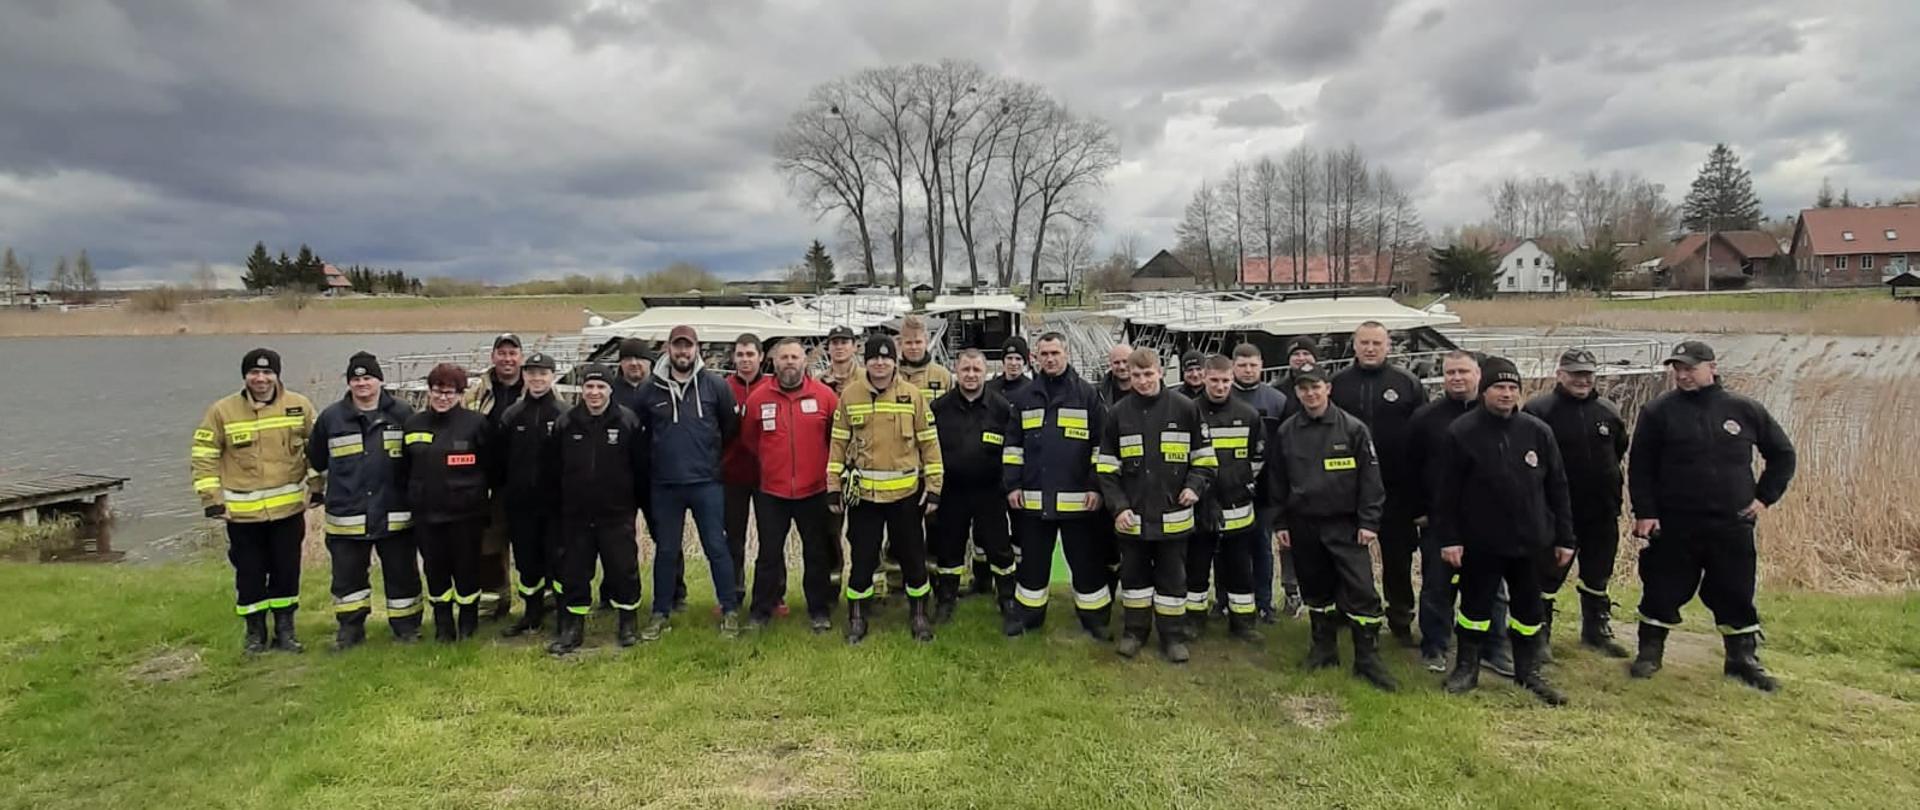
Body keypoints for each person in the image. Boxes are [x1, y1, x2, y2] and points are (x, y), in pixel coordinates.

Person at [1627, 340, 1795, 691]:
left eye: (1690, 368)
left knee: (1735, 591)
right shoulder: (1658, 412)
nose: (1683, 375)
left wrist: (1764, 498)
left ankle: (1742, 659)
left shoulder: (1744, 409)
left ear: (1712, 368)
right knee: (1662, 588)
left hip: (1730, 522)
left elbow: (1782, 454)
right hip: (1675, 522)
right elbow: (1640, 467)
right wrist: (1645, 513)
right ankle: (1649, 654)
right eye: (1678, 369)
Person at [1432, 356, 1575, 706]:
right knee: (1475, 610)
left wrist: (1565, 538)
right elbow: (1445, 493)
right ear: (1484, 391)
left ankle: (1529, 671)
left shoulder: (1537, 431)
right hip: (1481, 541)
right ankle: (1467, 668)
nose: (1506, 394)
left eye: (1513, 388)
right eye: (1499, 387)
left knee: (1529, 611)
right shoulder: (1461, 432)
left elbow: (1558, 487)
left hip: (1531, 541)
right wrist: (1450, 539)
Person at [1268, 362, 1396, 691]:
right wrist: (1281, 521)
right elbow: (1277, 482)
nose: (1310, 393)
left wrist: (1369, 522)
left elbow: (1371, 481)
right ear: (1296, 392)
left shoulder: (1353, 429)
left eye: (1316, 387)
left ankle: (1367, 659)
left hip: (1346, 525)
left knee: (1362, 592)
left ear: (1328, 388)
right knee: (1317, 591)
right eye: (1303, 388)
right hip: (1304, 524)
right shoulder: (1287, 431)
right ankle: (1323, 650)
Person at [192, 348, 322, 654]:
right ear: (245, 376)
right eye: (254, 373)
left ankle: (286, 631)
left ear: (277, 375)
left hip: (287, 510)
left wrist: (317, 487)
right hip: (242, 514)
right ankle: (255, 633)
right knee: (249, 573)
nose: (261, 379)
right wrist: (213, 501)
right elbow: (203, 457)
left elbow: (315, 450)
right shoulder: (222, 411)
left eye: (267, 373)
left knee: (286, 571)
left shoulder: (299, 406)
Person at [1097, 348, 1214, 662]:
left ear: (1161, 372)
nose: (1143, 381)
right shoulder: (1117, 414)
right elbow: (1106, 469)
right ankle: (1134, 633)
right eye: (1137, 375)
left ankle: (1173, 637)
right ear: (1129, 377)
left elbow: (1204, 460)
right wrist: (1119, 508)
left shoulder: (1186, 409)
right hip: (1132, 518)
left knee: (1173, 581)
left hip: (1173, 519)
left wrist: (1194, 487)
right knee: (1134, 581)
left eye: (1148, 374)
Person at [828, 335, 944, 643]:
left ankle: (919, 614)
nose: (880, 363)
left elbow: (929, 443)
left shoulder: (912, 396)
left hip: (905, 497)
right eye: (874, 358)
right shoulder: (850, 396)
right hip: (864, 498)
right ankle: (857, 616)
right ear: (866, 362)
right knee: (863, 558)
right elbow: (838, 444)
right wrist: (832, 487)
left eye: (886, 358)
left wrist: (933, 487)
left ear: (895, 361)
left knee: (912, 557)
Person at [634, 325, 743, 640]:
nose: (683, 352)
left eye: (688, 346)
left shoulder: (715, 386)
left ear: (697, 350)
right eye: (677, 346)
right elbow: (639, 432)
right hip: (665, 485)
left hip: (706, 482)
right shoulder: (650, 389)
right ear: (668, 349)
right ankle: (660, 613)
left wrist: (709, 458)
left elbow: (729, 427)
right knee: (666, 551)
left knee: (716, 547)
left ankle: (729, 610)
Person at [1523, 348, 1631, 660]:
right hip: (1555, 513)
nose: (1581, 380)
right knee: (1546, 576)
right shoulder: (1539, 410)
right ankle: (1538, 634)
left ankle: (1595, 630)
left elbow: (1619, 449)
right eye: (1574, 374)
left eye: (1587, 374)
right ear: (1560, 375)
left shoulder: (1608, 411)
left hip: (1601, 510)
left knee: (1598, 573)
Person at [1406, 351, 1510, 675]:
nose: (1456, 378)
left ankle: (1493, 647)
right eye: (1450, 372)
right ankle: (1434, 646)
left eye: (1463, 371)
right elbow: (1408, 469)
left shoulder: (1497, 416)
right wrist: (1418, 510)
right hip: (1440, 519)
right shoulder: (1425, 418)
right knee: (1438, 587)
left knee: (1493, 590)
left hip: (1489, 519)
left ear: (1478, 375)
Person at [1003, 332, 1113, 639]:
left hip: (1080, 501)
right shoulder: (1026, 397)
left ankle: (1095, 620)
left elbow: (1100, 446)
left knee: (1086, 562)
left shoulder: (1087, 395)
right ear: (1035, 358)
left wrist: (1095, 487)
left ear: (1066, 354)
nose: (1050, 359)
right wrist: (1012, 486)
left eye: (1055, 353)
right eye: (1044, 354)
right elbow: (1013, 446)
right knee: (1033, 562)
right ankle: (1028, 615)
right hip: (1035, 500)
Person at [308, 352, 421, 649]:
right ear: (349, 383)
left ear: (380, 380)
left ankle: (407, 628)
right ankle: (350, 630)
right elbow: (315, 460)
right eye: (356, 379)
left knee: (402, 576)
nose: (362, 384)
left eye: (368, 377)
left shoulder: (403, 414)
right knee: (348, 580)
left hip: (394, 513)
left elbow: (418, 462)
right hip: (348, 517)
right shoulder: (331, 418)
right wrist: (315, 493)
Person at [1329, 321, 1427, 646]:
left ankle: (1400, 619)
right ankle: (1347, 610)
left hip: (1396, 489)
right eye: (1364, 343)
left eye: (1377, 343)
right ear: (1354, 346)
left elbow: (1423, 437)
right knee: (1347, 555)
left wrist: (1419, 496)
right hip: (1349, 487)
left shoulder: (1407, 383)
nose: (1370, 348)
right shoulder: (1338, 384)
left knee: (1397, 559)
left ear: (1388, 346)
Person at [544, 364, 649, 654]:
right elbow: (553, 470)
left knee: (623, 569)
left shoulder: (627, 421)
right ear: (582, 390)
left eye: (600, 387)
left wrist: (633, 506)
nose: (594, 393)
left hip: (616, 513)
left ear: (610, 390)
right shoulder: (566, 423)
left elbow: (641, 469)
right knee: (574, 572)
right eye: (589, 387)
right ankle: (572, 628)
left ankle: (627, 623)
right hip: (576, 515)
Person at [738, 338, 840, 632]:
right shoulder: (758, 398)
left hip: (814, 490)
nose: (790, 362)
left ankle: (818, 611)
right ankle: (760, 611)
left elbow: (835, 439)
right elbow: (750, 439)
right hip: (773, 492)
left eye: (795, 357)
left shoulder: (824, 396)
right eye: (784, 358)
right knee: (769, 555)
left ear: (804, 361)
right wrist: (774, 464)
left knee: (816, 554)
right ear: (774, 362)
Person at [403, 363, 495, 642]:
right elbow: (404, 468)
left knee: (467, 571)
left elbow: (493, 467)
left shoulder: (476, 424)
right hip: (427, 516)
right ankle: (443, 624)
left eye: (449, 392)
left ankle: (468, 624)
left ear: (460, 394)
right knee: (435, 571)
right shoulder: (413, 424)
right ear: (429, 392)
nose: (443, 398)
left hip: (466, 516)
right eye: (437, 391)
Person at [929, 349, 1017, 623]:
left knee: (999, 547)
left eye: (976, 370)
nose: (970, 375)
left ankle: (1007, 599)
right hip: (952, 491)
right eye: (965, 369)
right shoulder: (940, 408)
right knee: (950, 548)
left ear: (986, 372)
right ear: (956, 370)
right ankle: (946, 600)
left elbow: (1012, 451)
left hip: (990, 491)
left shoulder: (1002, 409)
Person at [494, 351, 568, 639]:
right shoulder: (512, 415)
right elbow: (498, 460)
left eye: (543, 373)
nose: (537, 379)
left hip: (555, 505)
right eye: (532, 373)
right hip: (521, 504)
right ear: (524, 377)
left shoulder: (563, 414)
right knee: (527, 562)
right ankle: (531, 614)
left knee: (559, 560)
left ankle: (564, 615)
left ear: (552, 376)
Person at [1192, 355, 1262, 642]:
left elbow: (1257, 460)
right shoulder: (1188, 412)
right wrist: (1204, 497)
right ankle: (1194, 621)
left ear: (1232, 379)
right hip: (1200, 506)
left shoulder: (1249, 414)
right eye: (1215, 380)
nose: (1220, 387)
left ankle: (1243, 622)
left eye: (1225, 381)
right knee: (1196, 567)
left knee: (1240, 568)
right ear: (1204, 377)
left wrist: (1242, 488)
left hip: (1238, 506)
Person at [465, 333, 525, 620]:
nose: (507, 358)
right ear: (493, 358)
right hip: (489, 485)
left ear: (521, 358)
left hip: (527, 484)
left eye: (512, 353)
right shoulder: (476, 393)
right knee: (489, 549)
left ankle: (540, 606)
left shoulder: (538, 387)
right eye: (501, 353)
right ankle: (494, 606)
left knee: (532, 546)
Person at [1228, 343, 1289, 623]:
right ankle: (1226, 600)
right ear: (1233, 367)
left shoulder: (1277, 400)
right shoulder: (1223, 396)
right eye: (1242, 365)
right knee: (1227, 548)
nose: (1248, 370)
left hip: (1265, 489)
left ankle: (1264, 603)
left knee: (1261, 547)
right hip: (1228, 488)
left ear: (1261, 365)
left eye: (1253, 365)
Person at [722, 333, 771, 613]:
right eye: (740, 355)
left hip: (767, 477)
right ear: (733, 358)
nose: (745, 360)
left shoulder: (772, 387)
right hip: (731, 476)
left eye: (750, 354)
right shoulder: (722, 388)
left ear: (761, 357)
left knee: (770, 540)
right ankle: (733, 592)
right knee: (733, 539)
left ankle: (772, 596)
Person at [895, 315, 953, 400]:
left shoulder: (943, 376)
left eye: (918, 342)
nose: (914, 347)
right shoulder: (892, 376)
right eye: (908, 343)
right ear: (901, 344)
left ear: (926, 342)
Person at [815, 325, 861, 395]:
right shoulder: (818, 381)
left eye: (844, 342)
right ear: (828, 348)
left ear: (854, 347)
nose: (839, 347)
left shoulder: (866, 378)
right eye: (835, 343)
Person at [984, 336, 1033, 401]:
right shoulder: (989, 389)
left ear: (1024, 362)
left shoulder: (1032, 389)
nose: (1013, 363)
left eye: (1018, 359)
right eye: (1009, 358)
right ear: (1003, 361)